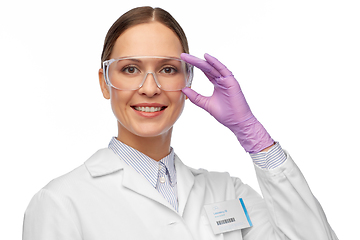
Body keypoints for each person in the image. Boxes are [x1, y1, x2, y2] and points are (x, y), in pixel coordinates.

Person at [22, 6, 338, 240]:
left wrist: (254, 136)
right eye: (130, 69)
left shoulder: (227, 191)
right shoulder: (61, 201)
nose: (150, 87)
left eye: (168, 69)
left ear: (187, 81)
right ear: (105, 82)